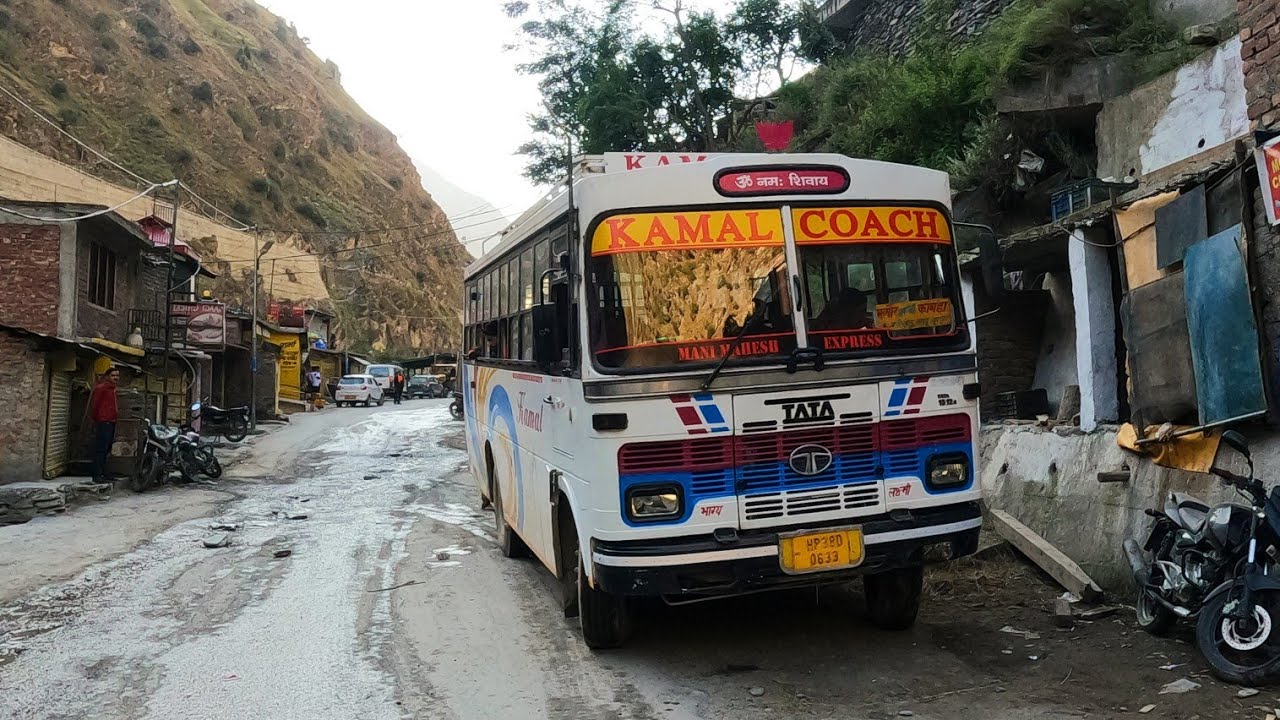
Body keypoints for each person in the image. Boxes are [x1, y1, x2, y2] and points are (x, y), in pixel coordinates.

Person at [89, 367, 120, 485]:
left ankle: (105, 473)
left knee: (107, 448)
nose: (115, 378)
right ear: (107, 376)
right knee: (101, 448)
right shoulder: (101, 388)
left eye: (117, 375)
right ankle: (97, 475)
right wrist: (97, 419)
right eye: (113, 375)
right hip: (103, 421)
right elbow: (95, 404)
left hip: (111, 421)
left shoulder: (113, 389)